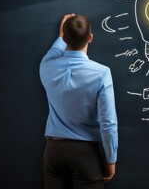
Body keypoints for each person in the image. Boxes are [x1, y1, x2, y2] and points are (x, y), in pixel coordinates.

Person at [39, 13, 118, 189]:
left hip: (54, 151)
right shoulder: (102, 73)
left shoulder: (47, 66)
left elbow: (53, 52)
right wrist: (111, 159)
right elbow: (108, 122)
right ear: (90, 38)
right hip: (86, 154)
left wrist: (61, 37)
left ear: (64, 37)